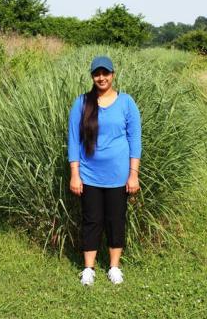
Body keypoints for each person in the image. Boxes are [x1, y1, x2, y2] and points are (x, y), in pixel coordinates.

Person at [67, 56, 141, 286]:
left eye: (105, 73)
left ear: (113, 74)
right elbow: (73, 140)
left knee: (116, 220)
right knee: (91, 220)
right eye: (97, 74)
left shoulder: (127, 102)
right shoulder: (81, 103)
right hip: (89, 175)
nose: (101, 78)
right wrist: (75, 174)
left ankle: (114, 267)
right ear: (92, 76)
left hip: (119, 176)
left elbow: (134, 138)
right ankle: (88, 268)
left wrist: (133, 173)